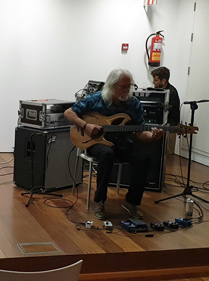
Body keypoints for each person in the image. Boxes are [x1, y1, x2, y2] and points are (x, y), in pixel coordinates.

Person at [64, 68, 164, 220]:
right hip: (97, 142)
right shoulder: (97, 99)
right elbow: (68, 113)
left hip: (122, 142)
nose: (126, 90)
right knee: (107, 154)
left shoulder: (133, 104)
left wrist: (153, 136)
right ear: (111, 85)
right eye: (122, 87)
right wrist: (86, 126)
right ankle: (99, 200)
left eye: (128, 86)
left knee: (145, 158)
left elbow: (140, 133)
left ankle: (132, 202)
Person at [151, 66, 181, 154]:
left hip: (170, 124)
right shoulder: (159, 91)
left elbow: (166, 112)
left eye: (156, 80)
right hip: (161, 124)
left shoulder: (171, 92)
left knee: (166, 152)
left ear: (164, 81)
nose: (153, 82)